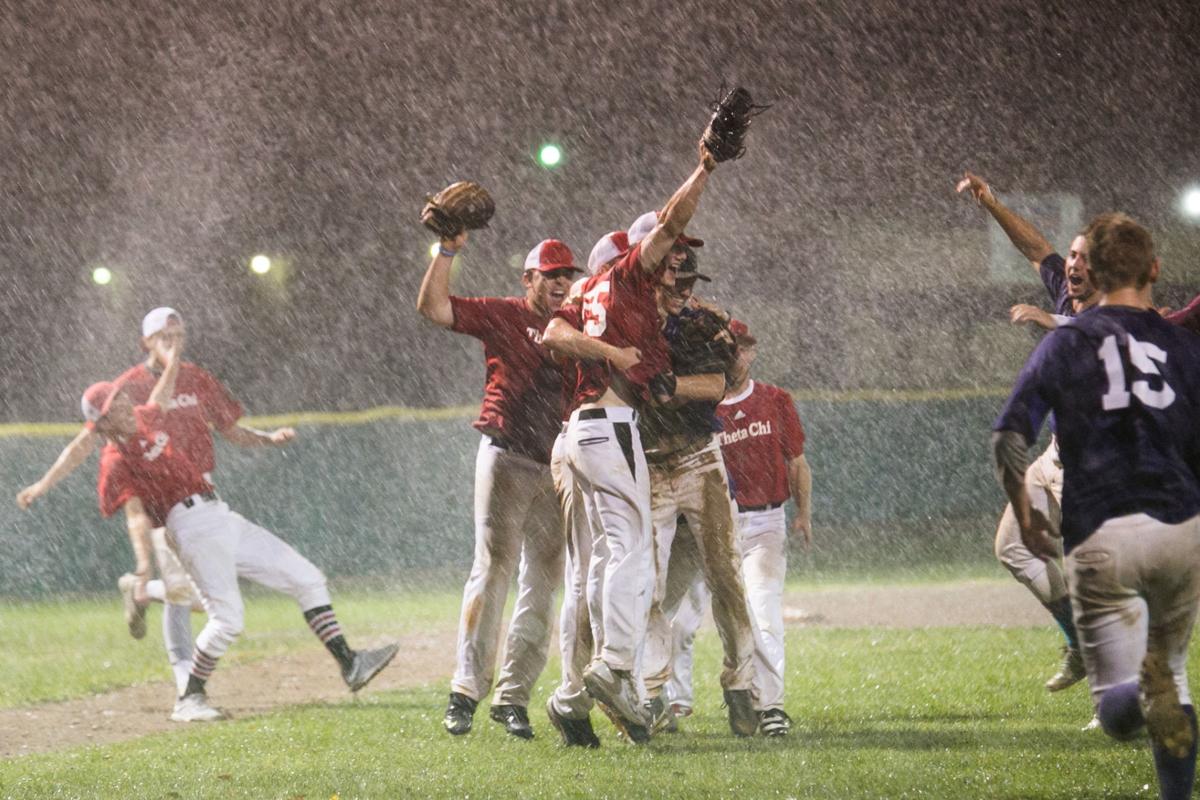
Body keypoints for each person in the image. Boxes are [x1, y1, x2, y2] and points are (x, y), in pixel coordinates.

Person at [26, 336, 398, 721]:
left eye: (119, 397)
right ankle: (188, 697)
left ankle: (350, 663)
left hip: (219, 515)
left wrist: (172, 357)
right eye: (111, 407)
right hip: (189, 526)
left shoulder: (146, 418)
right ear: (100, 424)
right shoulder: (116, 461)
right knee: (227, 618)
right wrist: (143, 563)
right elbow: (135, 516)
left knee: (307, 578)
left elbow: (163, 390)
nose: (122, 405)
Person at [993, 213, 1200, 800]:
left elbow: (1008, 436)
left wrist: (1027, 511)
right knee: (1177, 680)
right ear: (1155, 269)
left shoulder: (1068, 339)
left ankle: (1135, 693)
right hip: (1182, 524)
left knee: (1116, 709)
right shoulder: (1182, 343)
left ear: (1092, 273)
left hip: (1102, 523)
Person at [16, 307, 301, 704]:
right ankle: (186, 685)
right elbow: (86, 446)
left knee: (199, 596)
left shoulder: (179, 389)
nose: (173, 340)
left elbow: (208, 417)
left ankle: (143, 593)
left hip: (202, 496)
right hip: (166, 508)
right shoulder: (121, 414)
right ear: (145, 341)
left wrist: (268, 439)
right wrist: (43, 484)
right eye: (164, 335)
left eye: (178, 332)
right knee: (188, 595)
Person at [540, 141, 723, 744]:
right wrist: (704, 166)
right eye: (659, 258)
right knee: (633, 551)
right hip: (609, 428)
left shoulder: (587, 291)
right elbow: (673, 221)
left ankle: (570, 698)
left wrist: (608, 350)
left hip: (579, 432)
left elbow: (554, 331)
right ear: (630, 257)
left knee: (597, 562)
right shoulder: (627, 276)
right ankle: (615, 667)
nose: (669, 264)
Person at [417, 235, 580, 740]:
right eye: (549, 274)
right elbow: (434, 307)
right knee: (492, 570)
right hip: (507, 454)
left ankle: (513, 698)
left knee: (542, 585)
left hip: (556, 463)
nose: (560, 282)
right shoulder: (505, 313)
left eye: (566, 274)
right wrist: (446, 250)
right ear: (527, 279)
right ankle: (465, 690)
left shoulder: (576, 324)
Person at [957, 172, 1098, 698]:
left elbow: (1106, 331)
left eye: (1085, 258)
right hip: (1057, 456)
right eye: (1074, 257)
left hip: (1097, 468)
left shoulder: (1117, 314)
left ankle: (1117, 699)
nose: (1074, 265)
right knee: (1013, 547)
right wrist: (992, 202)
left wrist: (1051, 323)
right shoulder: (1065, 289)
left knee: (1098, 584)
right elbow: (1035, 246)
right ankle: (1079, 643)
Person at [663, 319, 812, 737]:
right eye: (727, 348)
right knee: (677, 618)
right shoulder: (700, 403)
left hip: (763, 521)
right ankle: (672, 698)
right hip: (704, 523)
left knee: (761, 612)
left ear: (752, 352)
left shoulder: (774, 399)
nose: (735, 355)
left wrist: (804, 513)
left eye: (741, 347)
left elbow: (797, 461)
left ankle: (770, 705)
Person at [637, 250, 760, 738]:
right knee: (645, 584)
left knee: (727, 576)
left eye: (689, 278)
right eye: (675, 279)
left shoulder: (704, 322)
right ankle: (651, 694)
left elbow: (716, 383)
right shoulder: (630, 315)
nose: (684, 288)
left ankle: (740, 685)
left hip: (697, 458)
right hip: (645, 463)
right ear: (653, 278)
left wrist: (669, 386)